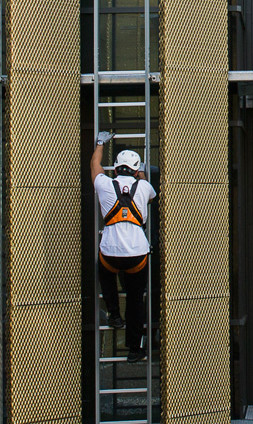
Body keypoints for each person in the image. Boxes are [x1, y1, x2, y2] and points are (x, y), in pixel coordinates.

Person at [89, 131, 156, 350]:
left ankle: (114, 315)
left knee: (106, 276)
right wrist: (142, 174)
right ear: (135, 170)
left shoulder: (104, 185)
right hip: (137, 255)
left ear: (116, 168)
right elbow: (150, 193)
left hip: (110, 253)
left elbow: (95, 165)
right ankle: (134, 349)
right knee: (136, 300)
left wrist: (100, 143)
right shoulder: (144, 187)